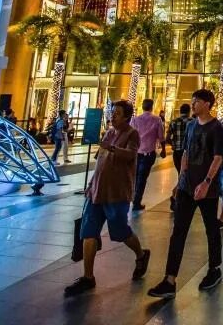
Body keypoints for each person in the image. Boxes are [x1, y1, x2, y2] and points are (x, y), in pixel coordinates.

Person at [148, 89, 223, 300]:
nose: (193, 105)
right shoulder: (191, 125)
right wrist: (179, 179)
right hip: (186, 187)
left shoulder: (216, 128)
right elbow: (186, 153)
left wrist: (207, 182)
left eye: (197, 101)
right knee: (178, 232)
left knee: (212, 229)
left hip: (207, 191)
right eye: (192, 101)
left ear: (208, 104)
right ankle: (170, 280)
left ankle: (214, 269)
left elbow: (218, 157)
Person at [66, 100, 150, 297]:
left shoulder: (132, 134)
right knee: (88, 232)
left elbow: (130, 155)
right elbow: (100, 161)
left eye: (117, 114)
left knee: (121, 232)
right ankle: (88, 277)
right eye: (112, 113)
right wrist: (91, 184)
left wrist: (111, 148)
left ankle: (141, 254)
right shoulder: (109, 133)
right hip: (96, 192)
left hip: (117, 193)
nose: (113, 117)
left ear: (127, 117)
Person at [132, 98, 164, 213]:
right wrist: (163, 149)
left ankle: (133, 198)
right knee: (142, 178)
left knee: (135, 177)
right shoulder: (157, 120)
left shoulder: (135, 120)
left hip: (136, 153)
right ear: (152, 106)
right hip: (149, 154)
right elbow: (161, 136)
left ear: (142, 106)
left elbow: (131, 135)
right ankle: (136, 201)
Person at [166, 103, 191, 210]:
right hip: (188, 153)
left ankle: (177, 196)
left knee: (181, 174)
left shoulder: (173, 122)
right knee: (184, 175)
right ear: (189, 111)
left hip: (177, 153)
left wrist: (174, 145)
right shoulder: (192, 122)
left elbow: (167, 138)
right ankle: (175, 196)